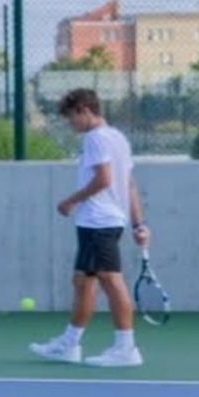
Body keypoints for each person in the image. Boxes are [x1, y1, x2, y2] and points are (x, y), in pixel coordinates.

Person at [30, 88, 151, 368]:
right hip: (102, 221)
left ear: (84, 110)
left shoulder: (96, 138)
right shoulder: (117, 138)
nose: (71, 124)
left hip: (99, 221)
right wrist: (138, 223)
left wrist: (70, 202)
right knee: (83, 281)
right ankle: (69, 344)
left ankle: (126, 348)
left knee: (110, 280)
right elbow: (128, 184)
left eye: (72, 117)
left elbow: (105, 180)